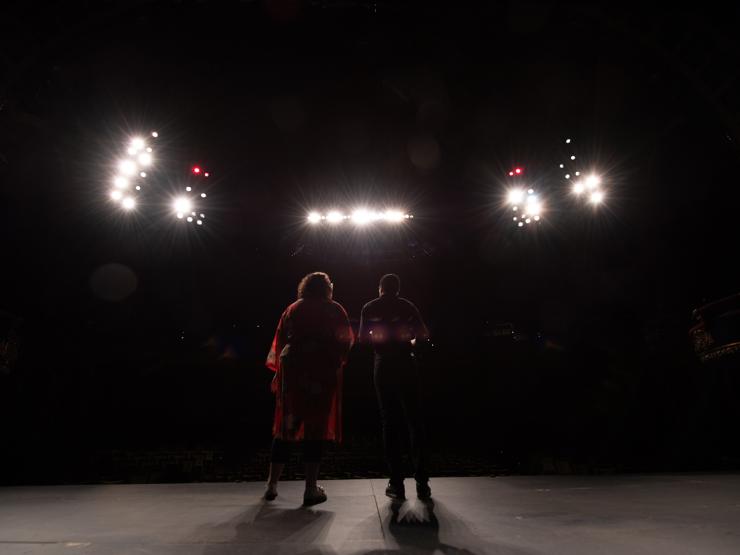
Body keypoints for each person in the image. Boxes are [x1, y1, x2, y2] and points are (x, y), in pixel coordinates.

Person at [264, 272, 353, 505]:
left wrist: (277, 374)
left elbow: (281, 340)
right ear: (327, 288)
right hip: (320, 374)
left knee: (285, 428)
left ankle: (271, 484)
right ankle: (310, 489)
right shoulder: (334, 309)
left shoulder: (292, 309)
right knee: (315, 429)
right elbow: (346, 340)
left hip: (292, 372)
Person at [359, 273, 431, 500]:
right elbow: (423, 336)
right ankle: (422, 483)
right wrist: (409, 343)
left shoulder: (369, 307)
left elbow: (362, 340)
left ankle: (397, 484)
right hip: (406, 363)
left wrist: (379, 342)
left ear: (380, 288)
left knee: (389, 422)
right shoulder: (408, 306)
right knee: (415, 421)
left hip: (383, 365)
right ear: (397, 289)